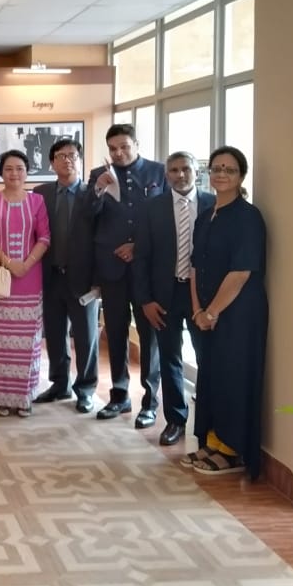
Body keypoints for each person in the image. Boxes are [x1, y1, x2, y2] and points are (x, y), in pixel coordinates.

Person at [185, 146, 268, 478]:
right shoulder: (206, 216)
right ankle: (212, 441)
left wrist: (212, 312)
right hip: (207, 313)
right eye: (217, 168)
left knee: (233, 377)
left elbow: (241, 272)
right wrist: (197, 310)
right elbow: (194, 266)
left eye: (230, 169)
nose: (221, 174)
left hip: (238, 314)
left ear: (241, 177)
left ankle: (232, 451)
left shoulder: (248, 217)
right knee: (210, 377)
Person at [87, 123, 167, 425]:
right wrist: (98, 189)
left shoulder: (159, 172)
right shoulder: (99, 174)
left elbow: (166, 219)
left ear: (136, 144)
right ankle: (119, 396)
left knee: (149, 336)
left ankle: (150, 401)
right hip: (112, 268)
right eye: (113, 149)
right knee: (116, 332)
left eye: (124, 146)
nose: (118, 153)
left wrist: (137, 246)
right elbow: (87, 216)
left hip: (147, 268)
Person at [134, 152, 215, 447]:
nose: (180, 175)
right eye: (174, 170)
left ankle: (207, 423)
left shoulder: (212, 204)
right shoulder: (151, 208)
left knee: (207, 358)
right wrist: (145, 300)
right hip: (163, 295)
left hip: (201, 297)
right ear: (166, 175)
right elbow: (141, 257)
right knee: (169, 359)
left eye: (185, 169)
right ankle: (175, 420)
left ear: (196, 172)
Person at [0, 150, 50, 417]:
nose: (14, 173)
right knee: (0, 341)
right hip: (0, 282)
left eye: (19, 168)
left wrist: (26, 264)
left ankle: (24, 397)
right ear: (1, 173)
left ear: (27, 172)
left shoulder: (37, 201)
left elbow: (44, 238)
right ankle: (1, 398)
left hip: (31, 280)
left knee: (28, 343)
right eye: (8, 168)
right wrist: (9, 262)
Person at [33, 138, 100, 414]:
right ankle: (60, 384)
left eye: (72, 155)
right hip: (51, 276)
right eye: (61, 155)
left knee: (86, 337)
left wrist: (98, 280)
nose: (67, 160)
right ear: (52, 163)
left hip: (84, 280)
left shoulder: (93, 194)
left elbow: (101, 238)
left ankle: (85, 389)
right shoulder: (40, 194)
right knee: (55, 334)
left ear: (80, 160)